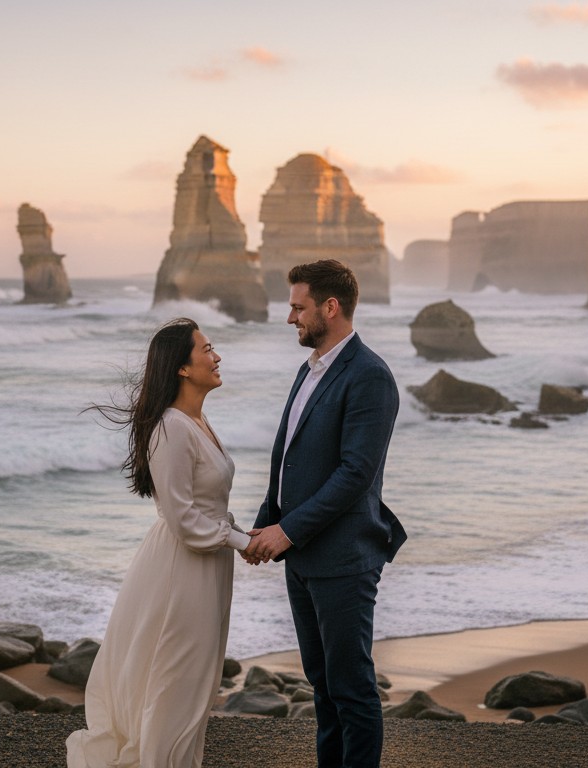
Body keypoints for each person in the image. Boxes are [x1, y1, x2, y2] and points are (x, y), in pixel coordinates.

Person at [66, 318, 255, 768]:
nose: (217, 355)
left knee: (197, 683)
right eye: (207, 348)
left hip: (207, 564)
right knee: (176, 681)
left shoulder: (198, 420)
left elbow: (205, 505)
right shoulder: (171, 427)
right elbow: (183, 518)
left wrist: (241, 536)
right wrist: (241, 540)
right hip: (181, 568)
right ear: (183, 368)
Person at [246, 259, 407, 768]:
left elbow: (355, 474)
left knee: (352, 689)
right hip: (303, 559)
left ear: (330, 307)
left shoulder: (370, 376)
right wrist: (266, 520)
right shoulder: (310, 368)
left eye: (298, 306)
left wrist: (287, 531)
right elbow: (289, 455)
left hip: (344, 558)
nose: (290, 317)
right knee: (321, 684)